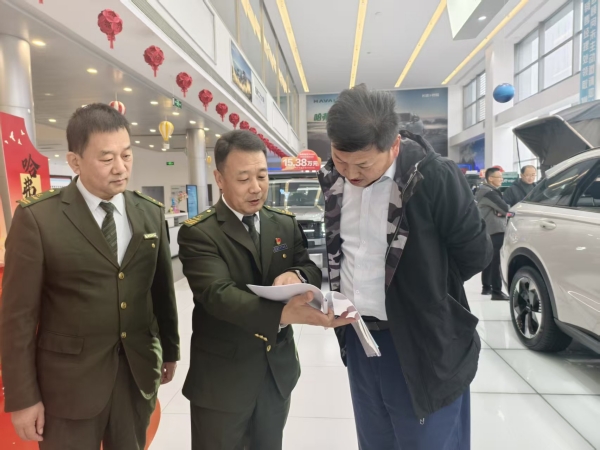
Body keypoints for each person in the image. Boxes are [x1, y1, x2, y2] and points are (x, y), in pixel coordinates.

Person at [319, 85, 492, 450]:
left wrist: (426, 289)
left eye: (363, 165)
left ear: (394, 146)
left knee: (427, 441)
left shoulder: (433, 177)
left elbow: (476, 253)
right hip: (360, 336)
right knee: (375, 439)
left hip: (422, 340)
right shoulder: (332, 179)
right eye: (340, 160)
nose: (350, 173)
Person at [0, 103, 180, 450]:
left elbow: (161, 292)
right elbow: (17, 317)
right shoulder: (39, 218)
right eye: (106, 158)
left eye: (126, 155)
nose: (120, 167)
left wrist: (169, 350)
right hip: (67, 386)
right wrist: (22, 397)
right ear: (74, 161)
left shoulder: (149, 213)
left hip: (135, 375)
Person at [178, 130, 354, 450]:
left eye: (261, 175)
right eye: (243, 178)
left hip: (276, 374)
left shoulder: (282, 223)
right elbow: (217, 295)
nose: (256, 187)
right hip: (223, 380)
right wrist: (282, 314)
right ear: (219, 179)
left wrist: (295, 273)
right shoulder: (201, 233)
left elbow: (310, 267)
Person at [476, 168, 510, 300]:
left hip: (488, 228)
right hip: (495, 229)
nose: (502, 179)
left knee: (489, 259)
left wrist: (500, 211)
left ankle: (486, 287)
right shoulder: (489, 193)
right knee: (496, 261)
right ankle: (497, 291)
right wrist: (502, 212)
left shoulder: (484, 190)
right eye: (499, 177)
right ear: (490, 179)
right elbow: (506, 209)